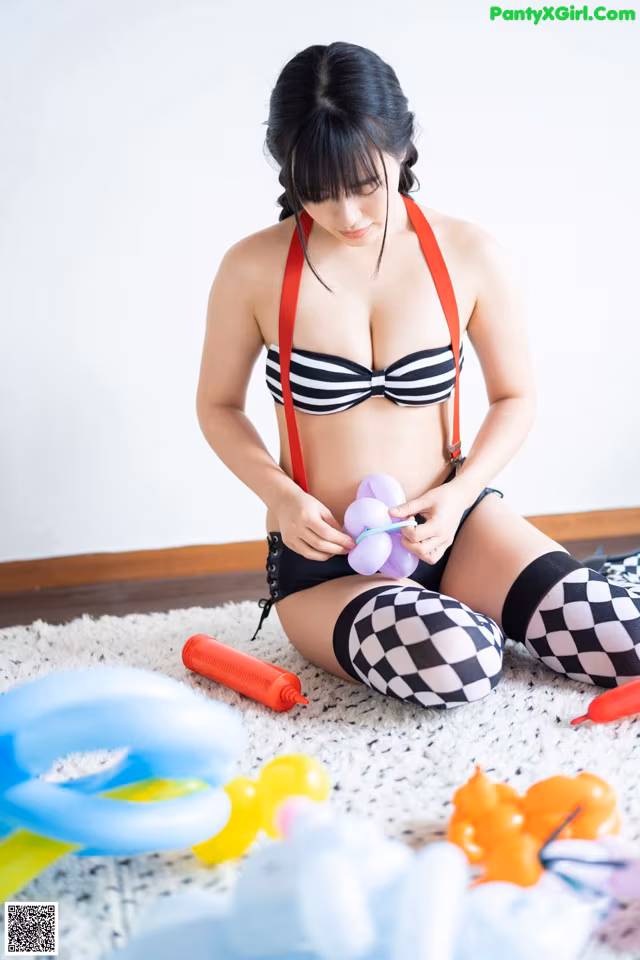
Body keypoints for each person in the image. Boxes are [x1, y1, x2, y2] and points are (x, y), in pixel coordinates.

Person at [196, 42, 640, 709]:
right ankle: (459, 619)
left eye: (366, 185)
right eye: (318, 192)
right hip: (328, 563)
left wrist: (460, 497)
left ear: (403, 147)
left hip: (459, 528)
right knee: (458, 663)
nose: (347, 216)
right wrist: (283, 500)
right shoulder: (253, 270)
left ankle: (540, 592)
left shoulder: (469, 253)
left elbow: (515, 397)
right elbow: (218, 405)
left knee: (625, 639)